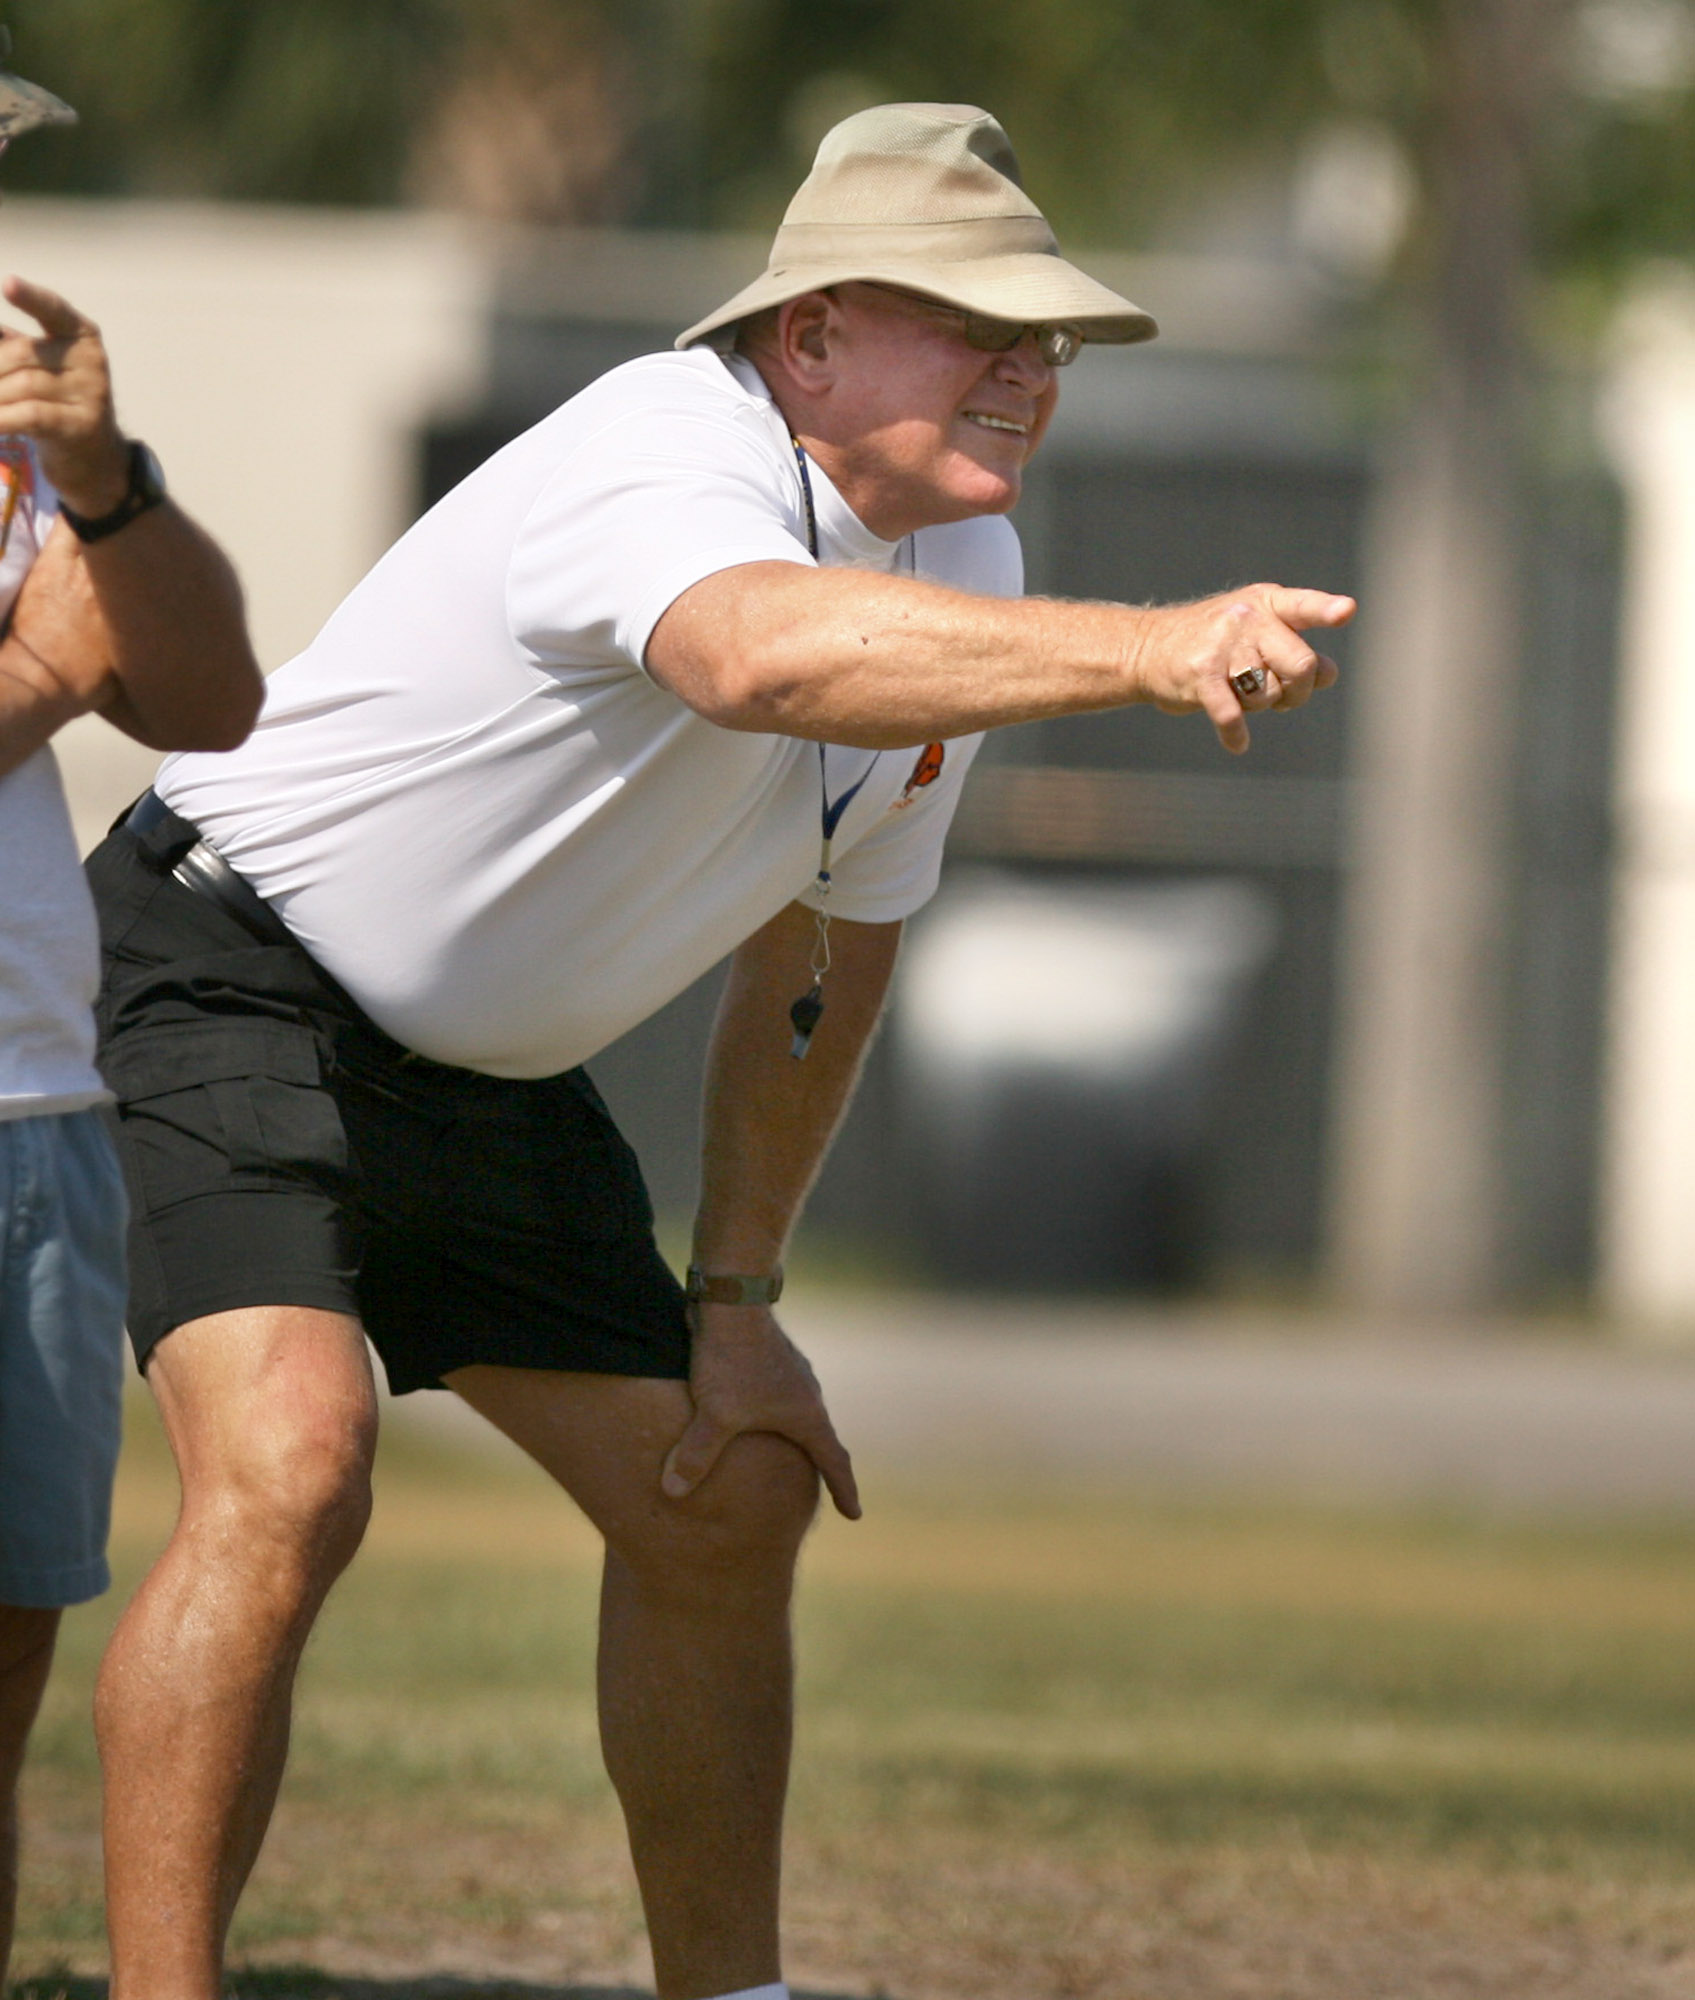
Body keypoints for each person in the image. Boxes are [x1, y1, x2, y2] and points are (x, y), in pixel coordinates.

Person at [84, 102, 1351, 2000]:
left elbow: (825, 953)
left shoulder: (964, 584)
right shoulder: (663, 443)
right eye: (976, 319)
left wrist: (741, 1290)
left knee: (727, 1478)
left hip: (479, 1081)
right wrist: (1157, 647)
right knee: (294, 1461)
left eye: (1050, 338)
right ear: (809, 334)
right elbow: (751, 658)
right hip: (226, 977)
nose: (1029, 366)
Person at [0, 41, 263, 1988]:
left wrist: (105, 487)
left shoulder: (28, 445)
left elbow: (198, 687)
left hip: (27, 1122)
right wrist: (37, 666)